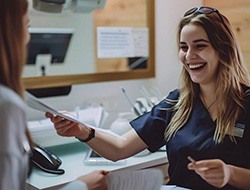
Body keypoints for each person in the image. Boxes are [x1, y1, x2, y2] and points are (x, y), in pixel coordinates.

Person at [46, 6, 250, 190]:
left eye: (200, 46)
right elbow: (119, 148)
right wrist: (82, 131)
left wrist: (229, 174)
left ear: (223, 50)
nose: (188, 57)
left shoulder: (246, 103)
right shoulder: (177, 104)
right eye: (184, 47)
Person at [0, 0, 108, 190]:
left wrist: (83, 131)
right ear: (9, 32)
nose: (27, 38)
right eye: (27, 25)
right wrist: (81, 186)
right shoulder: (6, 104)